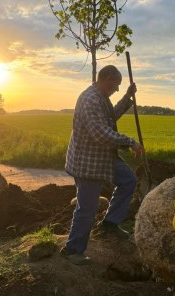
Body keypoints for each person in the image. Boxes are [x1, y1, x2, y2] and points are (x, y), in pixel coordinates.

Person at [60, 65, 144, 265]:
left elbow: (110, 116)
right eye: (116, 85)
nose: (116, 89)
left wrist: (127, 97)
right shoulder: (90, 99)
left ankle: (110, 222)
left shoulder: (101, 97)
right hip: (88, 162)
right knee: (87, 207)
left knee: (128, 179)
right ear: (106, 79)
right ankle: (72, 249)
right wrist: (130, 142)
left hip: (103, 157)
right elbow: (100, 133)